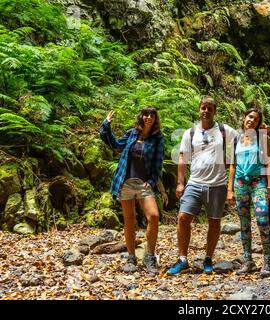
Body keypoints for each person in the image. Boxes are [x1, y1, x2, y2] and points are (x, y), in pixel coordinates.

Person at [167, 96, 238, 275]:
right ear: (199, 109)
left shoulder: (223, 130)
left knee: (214, 222)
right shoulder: (190, 133)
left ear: (215, 111)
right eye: (203, 108)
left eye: (210, 108)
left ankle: (208, 258)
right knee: (183, 217)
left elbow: (243, 139)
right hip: (195, 183)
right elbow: (182, 158)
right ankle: (182, 259)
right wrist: (180, 183)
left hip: (218, 184)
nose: (206, 111)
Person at [99, 107, 164, 274]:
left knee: (154, 216)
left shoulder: (158, 138)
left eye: (152, 115)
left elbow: (158, 163)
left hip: (144, 184)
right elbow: (115, 144)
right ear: (141, 116)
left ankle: (149, 256)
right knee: (129, 220)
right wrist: (106, 125)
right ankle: (131, 257)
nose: (149, 117)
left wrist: (151, 181)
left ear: (155, 118)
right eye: (146, 114)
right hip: (126, 181)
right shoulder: (132, 133)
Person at [228, 108, 270, 278]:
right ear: (244, 118)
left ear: (258, 123)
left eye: (255, 119)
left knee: (262, 220)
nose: (251, 120)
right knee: (244, 223)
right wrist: (229, 189)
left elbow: (268, 162)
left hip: (258, 182)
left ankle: (267, 261)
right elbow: (232, 165)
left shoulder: (262, 139)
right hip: (240, 183)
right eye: (250, 117)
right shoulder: (236, 139)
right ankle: (248, 260)